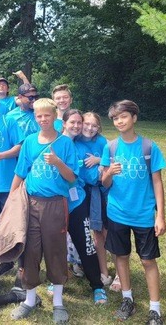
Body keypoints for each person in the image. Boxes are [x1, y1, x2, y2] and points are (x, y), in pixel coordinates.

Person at [9, 99, 78, 323]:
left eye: (46, 115)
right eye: (38, 116)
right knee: (30, 249)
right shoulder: (30, 141)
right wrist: (11, 200)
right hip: (32, 203)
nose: (42, 119)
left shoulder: (65, 143)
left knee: (55, 249)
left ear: (54, 116)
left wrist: (58, 162)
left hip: (55, 204)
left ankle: (58, 302)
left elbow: (72, 177)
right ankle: (29, 300)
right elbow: (20, 172)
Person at [101, 100, 166, 324]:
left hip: (143, 214)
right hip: (117, 213)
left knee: (148, 260)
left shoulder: (149, 147)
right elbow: (105, 183)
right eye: (115, 118)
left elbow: (157, 182)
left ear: (134, 118)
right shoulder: (110, 148)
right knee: (121, 256)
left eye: (124, 117)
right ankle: (127, 299)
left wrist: (160, 215)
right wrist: (109, 172)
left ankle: (155, 309)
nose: (119, 121)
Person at [51, 109, 107, 306]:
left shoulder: (81, 145)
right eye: (72, 122)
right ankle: (56, 280)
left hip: (77, 201)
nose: (76, 126)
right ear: (64, 123)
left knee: (85, 243)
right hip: (56, 201)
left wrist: (100, 164)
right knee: (56, 243)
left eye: (79, 122)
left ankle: (97, 286)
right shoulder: (55, 142)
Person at [75, 112, 112, 286]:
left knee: (106, 231)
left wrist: (99, 160)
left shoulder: (102, 142)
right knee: (92, 231)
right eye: (87, 124)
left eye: (94, 125)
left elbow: (112, 161)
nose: (90, 128)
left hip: (102, 191)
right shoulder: (75, 142)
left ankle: (116, 273)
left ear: (99, 128)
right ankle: (99, 270)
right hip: (83, 191)